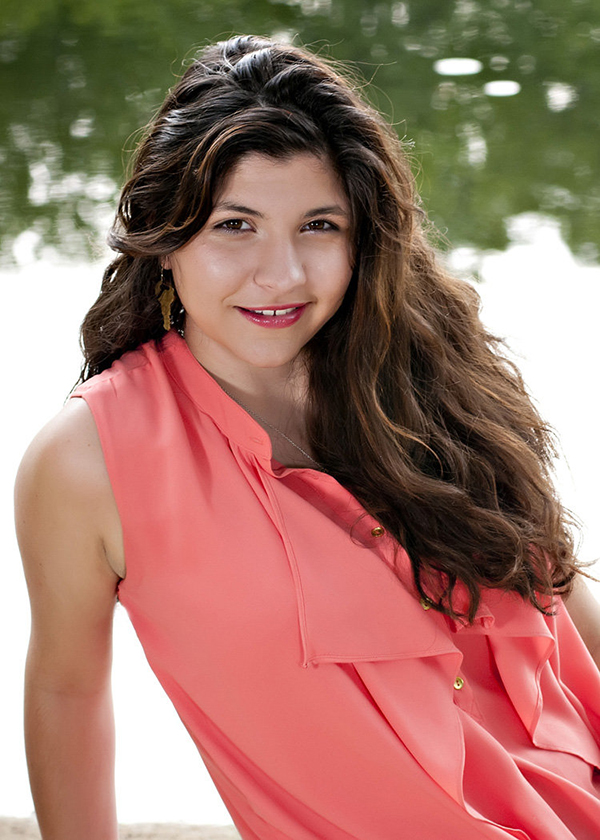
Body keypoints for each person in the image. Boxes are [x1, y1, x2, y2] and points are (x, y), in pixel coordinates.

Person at [15, 34, 600, 840]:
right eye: (236, 225)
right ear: (166, 238)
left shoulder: (428, 378)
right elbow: (68, 691)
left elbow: (558, 592)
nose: (282, 274)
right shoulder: (91, 462)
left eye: (319, 225)